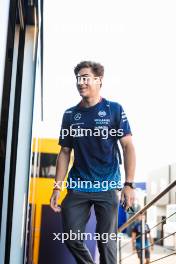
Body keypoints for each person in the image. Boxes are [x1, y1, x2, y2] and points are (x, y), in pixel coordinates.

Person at [50, 61, 136, 264]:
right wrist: (57, 187)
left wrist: (129, 184)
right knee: (71, 237)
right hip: (79, 184)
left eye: (86, 77)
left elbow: (128, 147)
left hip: (107, 185)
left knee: (106, 241)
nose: (81, 82)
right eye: (78, 78)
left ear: (99, 80)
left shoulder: (114, 110)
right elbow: (64, 152)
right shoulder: (70, 115)